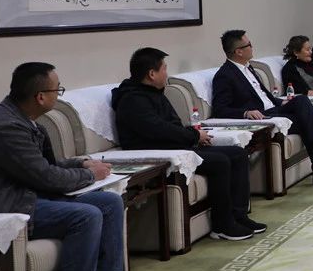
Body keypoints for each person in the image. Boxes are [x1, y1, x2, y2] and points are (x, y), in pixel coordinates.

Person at [0, 63, 152, 271]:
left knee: (109, 203)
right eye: (57, 90)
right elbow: (47, 178)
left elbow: (42, 166)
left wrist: (80, 164)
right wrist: (89, 174)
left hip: (24, 193)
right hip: (1, 205)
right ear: (40, 96)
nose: (59, 95)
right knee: (86, 216)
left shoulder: (22, 118)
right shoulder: (5, 127)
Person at [112, 47, 263, 241]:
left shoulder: (153, 92)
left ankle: (239, 216)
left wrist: (194, 135)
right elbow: (158, 130)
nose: (167, 73)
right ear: (151, 74)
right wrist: (193, 135)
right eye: (164, 69)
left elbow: (171, 125)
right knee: (220, 161)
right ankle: (222, 225)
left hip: (175, 145)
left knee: (237, 154)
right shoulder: (132, 100)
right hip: (158, 151)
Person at [211, 30, 313, 187]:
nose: (252, 47)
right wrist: (246, 113)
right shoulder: (225, 75)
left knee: (301, 100)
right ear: (238, 51)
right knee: (305, 121)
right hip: (262, 115)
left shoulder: (249, 68)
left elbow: (263, 95)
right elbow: (220, 109)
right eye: (249, 44)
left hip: (274, 108)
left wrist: (281, 102)